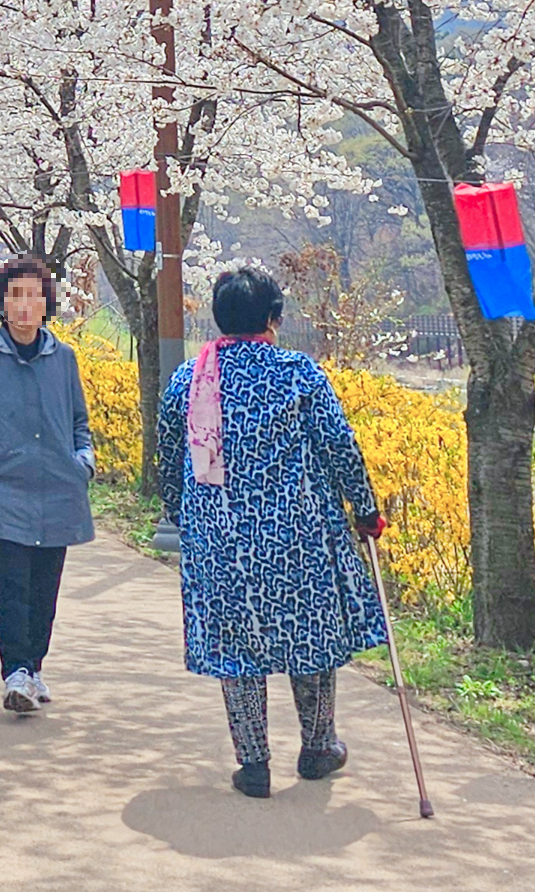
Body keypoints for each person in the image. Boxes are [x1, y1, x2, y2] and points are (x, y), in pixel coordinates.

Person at [162, 263, 391, 798]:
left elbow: (171, 461)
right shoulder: (300, 375)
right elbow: (340, 447)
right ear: (273, 318)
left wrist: (183, 516)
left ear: (220, 319)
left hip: (220, 543)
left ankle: (254, 763)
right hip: (300, 540)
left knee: (236, 652)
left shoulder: (190, 379)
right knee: (308, 641)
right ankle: (317, 748)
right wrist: (365, 509)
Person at [0, 252, 96, 714]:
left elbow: (79, 419)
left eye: (33, 296)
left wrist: (83, 461)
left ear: (45, 303)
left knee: (45, 587)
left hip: (58, 486)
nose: (24, 305)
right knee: (10, 583)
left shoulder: (64, 358)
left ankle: (34, 667)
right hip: (3, 487)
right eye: (16, 295)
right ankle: (15, 670)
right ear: (2, 301)